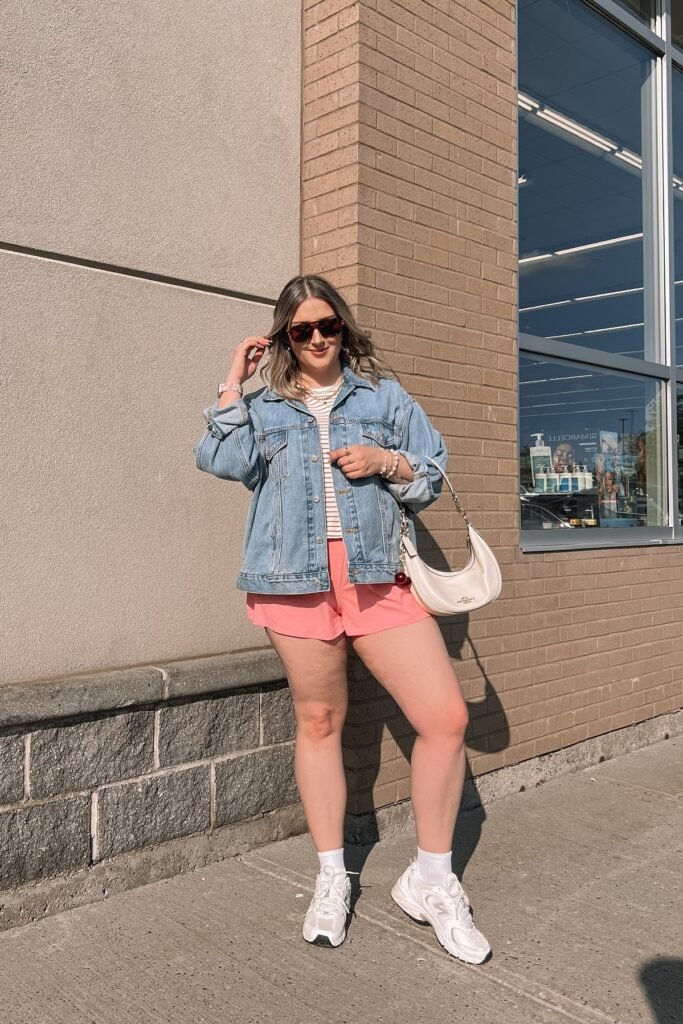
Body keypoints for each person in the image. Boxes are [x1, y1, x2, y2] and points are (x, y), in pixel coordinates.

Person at [193, 274, 490, 964]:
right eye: (302, 330)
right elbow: (219, 458)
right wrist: (230, 386)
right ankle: (332, 877)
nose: (318, 338)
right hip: (291, 586)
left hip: (375, 582)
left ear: (342, 328)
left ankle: (431, 880)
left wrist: (386, 460)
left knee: (444, 719)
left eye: (327, 326)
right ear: (283, 339)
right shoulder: (263, 405)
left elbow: (430, 473)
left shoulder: (381, 397)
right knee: (319, 722)